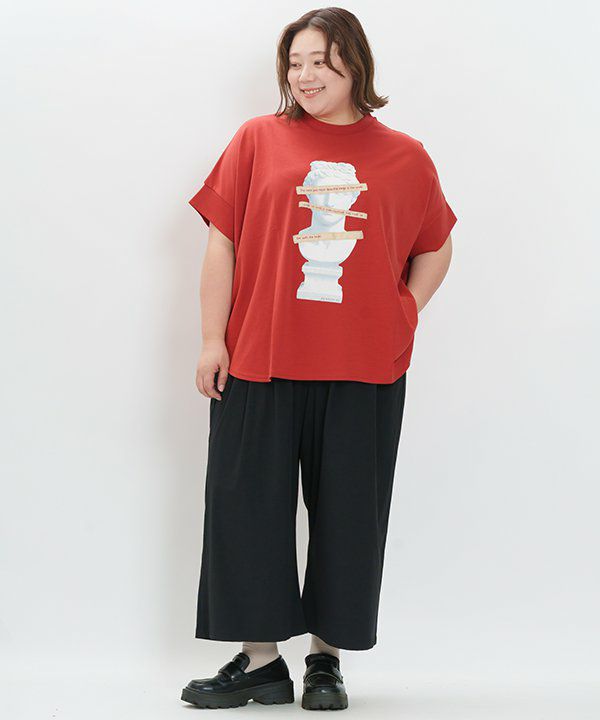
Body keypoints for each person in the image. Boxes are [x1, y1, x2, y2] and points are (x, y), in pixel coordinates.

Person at [180, 6, 457, 712]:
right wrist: (213, 339)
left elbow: (436, 243)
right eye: (295, 63)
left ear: (355, 65)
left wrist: (404, 311)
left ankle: (326, 662)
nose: (304, 76)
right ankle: (261, 661)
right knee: (245, 510)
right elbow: (222, 241)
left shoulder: (406, 155)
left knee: (349, 518)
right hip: (260, 359)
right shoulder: (257, 139)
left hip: (364, 368)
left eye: (320, 62)